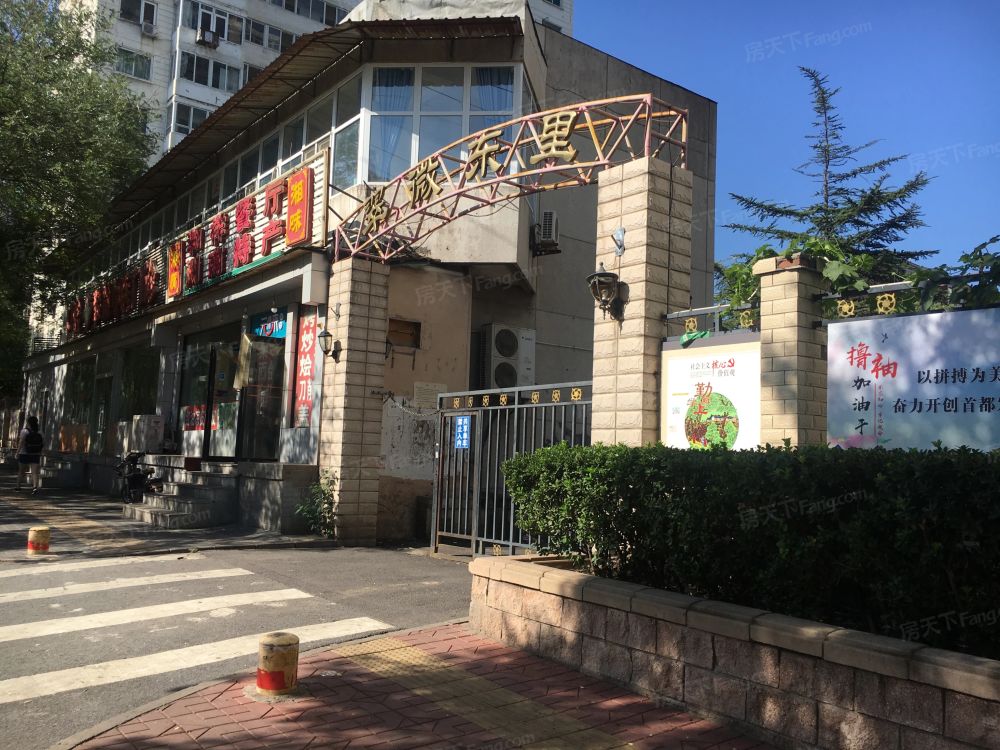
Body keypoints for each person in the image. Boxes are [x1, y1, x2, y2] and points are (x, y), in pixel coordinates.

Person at [16, 416, 44, 494]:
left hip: (24, 453)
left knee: (21, 471)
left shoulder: (24, 431)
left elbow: (21, 442)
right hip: (35, 454)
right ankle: (35, 488)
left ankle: (18, 487)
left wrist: (17, 452)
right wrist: (40, 452)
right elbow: (42, 443)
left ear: (28, 423)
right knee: (34, 472)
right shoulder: (40, 432)